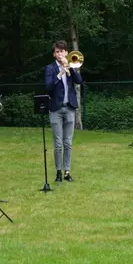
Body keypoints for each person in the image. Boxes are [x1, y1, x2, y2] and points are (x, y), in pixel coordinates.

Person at [45, 40, 83, 182]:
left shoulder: (71, 66)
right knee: (58, 143)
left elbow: (79, 81)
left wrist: (71, 68)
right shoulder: (50, 69)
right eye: (57, 52)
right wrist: (60, 73)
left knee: (68, 143)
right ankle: (58, 172)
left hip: (69, 108)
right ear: (54, 54)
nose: (60, 54)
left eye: (62, 51)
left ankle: (67, 171)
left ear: (67, 53)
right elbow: (48, 87)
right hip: (56, 109)